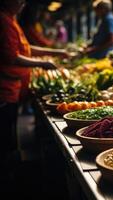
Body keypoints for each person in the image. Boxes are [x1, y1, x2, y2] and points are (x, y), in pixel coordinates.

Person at [0, 0, 68, 176]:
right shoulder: (3, 21)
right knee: (5, 131)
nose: (22, 4)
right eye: (19, 1)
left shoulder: (11, 19)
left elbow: (25, 49)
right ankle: (9, 175)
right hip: (4, 87)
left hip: (12, 86)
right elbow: (12, 57)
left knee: (10, 126)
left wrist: (55, 53)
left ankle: (11, 165)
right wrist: (43, 63)